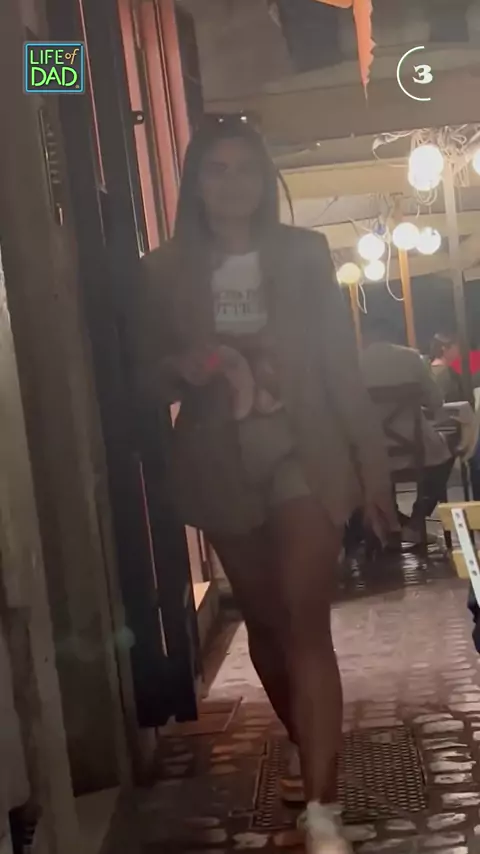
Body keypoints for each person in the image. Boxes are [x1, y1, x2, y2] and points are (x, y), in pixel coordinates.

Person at [135, 117, 395, 854]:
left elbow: (341, 366)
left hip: (304, 450)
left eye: (245, 168)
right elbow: (142, 380)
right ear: (195, 183)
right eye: (215, 170)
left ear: (265, 179)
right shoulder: (162, 271)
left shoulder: (304, 255)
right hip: (220, 458)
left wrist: (373, 473)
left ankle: (323, 809)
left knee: (306, 619)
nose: (232, 184)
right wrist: (180, 367)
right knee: (267, 623)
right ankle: (307, 744)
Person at [361, 318, 454, 545]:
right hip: (417, 449)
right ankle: (415, 522)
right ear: (394, 336)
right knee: (445, 460)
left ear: (365, 338)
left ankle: (391, 524)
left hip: (370, 454)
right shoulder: (411, 358)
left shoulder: (354, 364)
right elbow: (435, 401)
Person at [429, 333, 463, 403]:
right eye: (456, 347)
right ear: (444, 348)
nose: (459, 351)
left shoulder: (427, 370)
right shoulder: (446, 373)